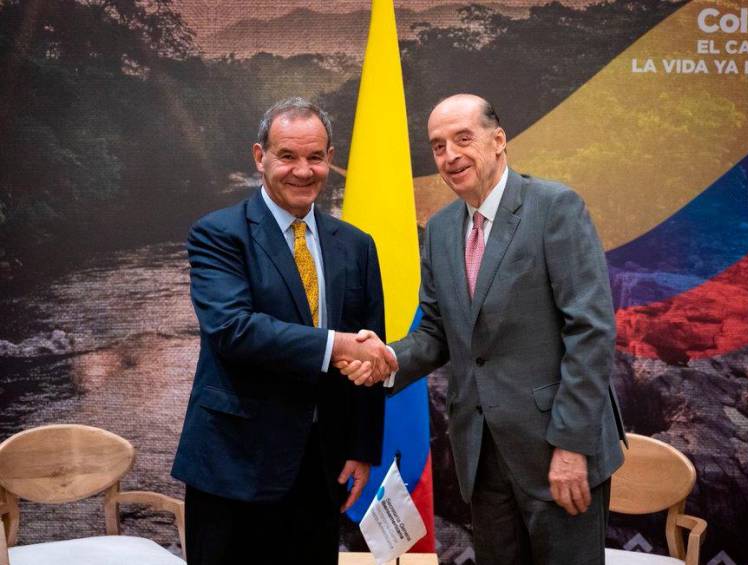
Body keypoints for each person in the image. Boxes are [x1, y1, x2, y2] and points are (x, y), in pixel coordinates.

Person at [340, 94, 626, 564]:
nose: (450, 155)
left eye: (462, 139)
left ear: (498, 141)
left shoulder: (554, 208)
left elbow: (590, 332)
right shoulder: (440, 229)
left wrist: (572, 446)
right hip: (480, 456)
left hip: (556, 452)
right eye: (437, 146)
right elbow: (435, 332)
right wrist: (385, 360)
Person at [172, 97, 396, 565]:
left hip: (321, 467)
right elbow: (232, 330)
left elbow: (370, 350)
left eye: (315, 157)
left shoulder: (355, 245)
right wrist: (334, 346)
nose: (302, 170)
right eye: (287, 156)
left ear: (331, 160)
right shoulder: (218, 234)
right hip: (235, 465)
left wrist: (361, 447)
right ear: (261, 157)